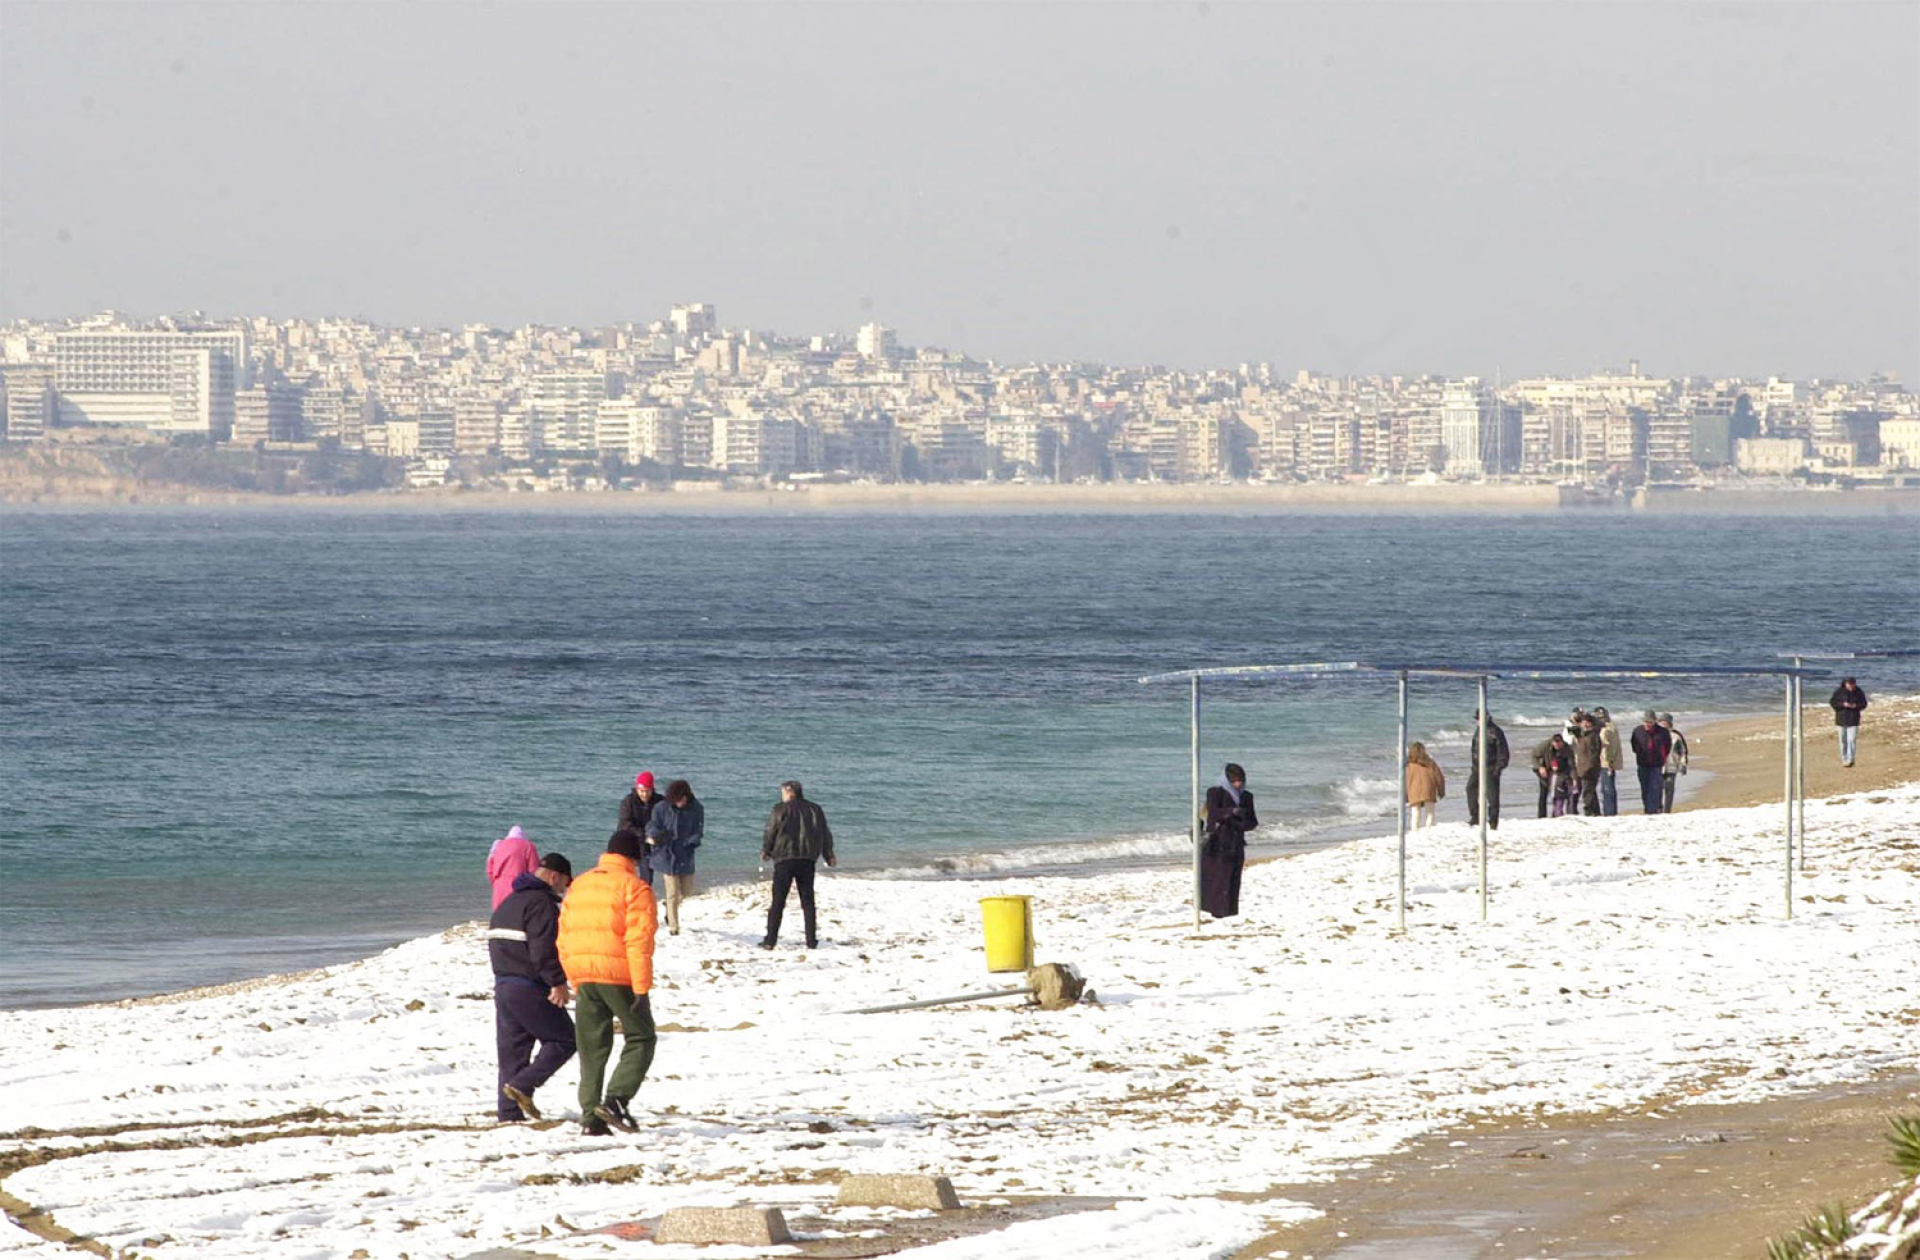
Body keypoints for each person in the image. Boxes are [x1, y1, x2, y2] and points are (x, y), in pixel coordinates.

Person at [557, 828, 658, 1136]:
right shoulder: (635, 888)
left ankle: (591, 1118)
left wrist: (573, 976)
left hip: (584, 973)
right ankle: (615, 1100)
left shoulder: (580, 885)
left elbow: (564, 935)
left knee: (592, 1047)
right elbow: (638, 940)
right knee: (641, 1038)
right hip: (619, 975)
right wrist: (641, 987)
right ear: (634, 858)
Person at [488, 851, 575, 1122]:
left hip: (503, 984)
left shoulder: (509, 902)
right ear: (554, 877)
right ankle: (523, 1086)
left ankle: (509, 1113)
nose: (564, 890)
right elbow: (542, 949)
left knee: (513, 1052)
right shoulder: (542, 904)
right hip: (527, 984)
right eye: (565, 884)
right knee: (565, 1039)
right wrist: (557, 982)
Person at [759, 780, 836, 949]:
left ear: (789, 792)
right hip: (807, 859)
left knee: (778, 901)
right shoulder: (815, 809)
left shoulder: (780, 809)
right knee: (807, 901)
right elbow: (825, 833)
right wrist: (828, 855)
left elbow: (771, 830)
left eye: (783, 792)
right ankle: (811, 941)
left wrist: (766, 850)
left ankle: (770, 940)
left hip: (784, 858)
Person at [645, 779, 704, 936]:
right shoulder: (661, 808)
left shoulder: (696, 808)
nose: (679, 803)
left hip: (686, 854)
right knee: (672, 892)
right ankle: (674, 927)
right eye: (676, 800)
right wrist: (654, 836)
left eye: (681, 799)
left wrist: (692, 842)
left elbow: (699, 831)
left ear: (687, 796)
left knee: (686, 891)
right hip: (666, 854)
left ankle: (669, 907)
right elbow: (652, 825)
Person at [1201, 763, 1258, 918]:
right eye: (1234, 781)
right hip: (1216, 843)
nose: (1238, 784)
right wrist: (1231, 812)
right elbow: (1213, 813)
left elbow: (1253, 822)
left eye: (1240, 780)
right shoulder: (1215, 793)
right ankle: (1213, 912)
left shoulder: (1246, 796)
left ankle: (1228, 912)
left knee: (1232, 880)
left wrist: (1241, 822)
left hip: (1235, 843)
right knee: (1215, 879)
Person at [1464, 713, 1509, 829]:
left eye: (1478, 719)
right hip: (1477, 768)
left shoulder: (1496, 732)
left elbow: (1503, 753)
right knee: (1470, 788)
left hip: (1491, 768)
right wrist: (1473, 766)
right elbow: (1474, 750)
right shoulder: (1478, 731)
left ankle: (1493, 822)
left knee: (1492, 797)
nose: (1476, 722)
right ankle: (1476, 817)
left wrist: (1498, 768)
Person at [617, 772, 662, 886]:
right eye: (642, 791)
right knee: (624, 874)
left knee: (646, 876)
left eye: (648, 791)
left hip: (649, 843)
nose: (645, 794)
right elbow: (625, 824)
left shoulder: (660, 802)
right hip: (629, 840)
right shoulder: (628, 801)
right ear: (637, 789)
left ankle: (643, 894)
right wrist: (644, 836)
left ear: (652, 789)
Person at [487, 824, 539, 910]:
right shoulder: (528, 846)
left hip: (499, 887)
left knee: (499, 914)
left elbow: (489, 869)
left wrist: (495, 883)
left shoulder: (498, 845)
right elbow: (533, 870)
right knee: (516, 914)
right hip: (518, 887)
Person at [1630, 710, 1672, 814]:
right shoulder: (1637, 731)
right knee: (1645, 789)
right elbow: (1634, 746)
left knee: (1655, 788)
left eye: (1650, 722)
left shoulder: (1663, 732)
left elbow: (1667, 747)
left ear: (1654, 721)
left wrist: (1662, 758)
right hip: (1642, 764)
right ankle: (1648, 809)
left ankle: (1653, 810)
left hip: (1656, 765)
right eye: (1645, 722)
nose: (1647, 724)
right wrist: (1640, 754)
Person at [1531, 732, 1575, 819]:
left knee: (1559, 794)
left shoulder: (1567, 749)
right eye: (1555, 743)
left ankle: (1557, 813)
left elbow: (1571, 764)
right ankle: (1541, 816)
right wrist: (1540, 767)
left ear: (1562, 742)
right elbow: (1534, 755)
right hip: (1546, 771)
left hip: (1560, 773)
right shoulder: (1544, 746)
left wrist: (1573, 777)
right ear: (1552, 742)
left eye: (1559, 743)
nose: (1557, 745)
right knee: (1544, 793)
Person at [1830, 678, 1869, 768]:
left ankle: (1850, 759)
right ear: (1845, 684)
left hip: (1853, 719)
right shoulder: (1839, 691)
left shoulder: (1859, 691)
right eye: (1849, 684)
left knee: (1851, 740)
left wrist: (1855, 705)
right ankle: (1844, 758)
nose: (1851, 686)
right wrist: (1843, 704)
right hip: (1841, 719)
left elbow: (1864, 704)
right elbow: (1833, 703)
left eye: (1853, 684)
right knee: (1843, 740)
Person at [1405, 742, 1445, 829]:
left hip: (1414, 791)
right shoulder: (1430, 763)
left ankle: (1414, 832)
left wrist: (1406, 794)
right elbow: (1439, 777)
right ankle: (1429, 830)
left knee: (1415, 814)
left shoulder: (1409, 765)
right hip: (1429, 789)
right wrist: (1441, 790)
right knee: (1430, 812)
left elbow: (1406, 781)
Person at [1572, 712, 1603, 816]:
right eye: (1584, 722)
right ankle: (1595, 812)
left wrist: (1589, 768)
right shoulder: (1583, 736)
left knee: (1587, 793)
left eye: (1587, 723)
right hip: (1582, 768)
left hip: (1590, 769)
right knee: (1591, 792)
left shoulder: (1593, 736)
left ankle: (1589, 812)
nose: (1585, 725)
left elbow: (1594, 754)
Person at [1594, 706, 1623, 816]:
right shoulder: (1613, 728)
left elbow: (1606, 749)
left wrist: (1609, 762)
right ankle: (1611, 811)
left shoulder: (1605, 731)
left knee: (1607, 789)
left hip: (1606, 763)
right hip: (1611, 761)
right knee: (1609, 788)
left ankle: (1609, 812)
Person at [1658, 713, 1689, 813]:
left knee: (1669, 789)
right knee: (1657, 789)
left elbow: (1683, 751)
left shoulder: (1676, 736)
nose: (1663, 724)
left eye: (1665, 722)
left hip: (1671, 766)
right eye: (1661, 722)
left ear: (1669, 723)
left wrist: (1683, 764)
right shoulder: (1654, 735)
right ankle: (1659, 809)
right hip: (1657, 767)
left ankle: (1667, 810)